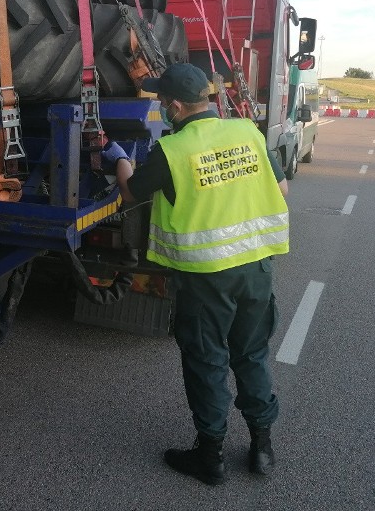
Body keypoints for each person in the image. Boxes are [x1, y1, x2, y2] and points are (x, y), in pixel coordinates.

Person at [100, 63, 289, 485]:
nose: (163, 108)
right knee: (251, 355)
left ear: (177, 106)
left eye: (164, 102)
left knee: (207, 362)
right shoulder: (247, 132)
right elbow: (282, 190)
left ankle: (211, 457)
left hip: (206, 279)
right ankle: (262, 448)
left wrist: (120, 161)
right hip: (256, 269)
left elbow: (132, 193)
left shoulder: (173, 150)